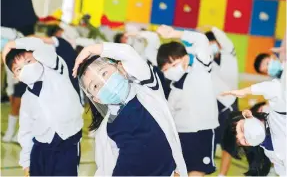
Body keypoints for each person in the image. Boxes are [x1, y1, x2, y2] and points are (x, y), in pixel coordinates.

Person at [72, 42, 187, 176]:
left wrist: (93, 48)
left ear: (121, 68)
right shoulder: (105, 130)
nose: (105, 84)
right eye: (95, 86)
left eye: (104, 73)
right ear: (96, 99)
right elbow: (105, 170)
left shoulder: (148, 90)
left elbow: (129, 54)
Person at [2, 37, 84, 176]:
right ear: (16, 77)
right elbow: (26, 130)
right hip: (39, 149)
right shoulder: (27, 98)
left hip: (67, 145)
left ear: (38, 58)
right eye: (18, 69)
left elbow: (39, 45)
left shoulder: (57, 71)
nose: (26, 69)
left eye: (29, 61)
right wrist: (26, 161)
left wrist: (12, 44)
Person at [156, 25, 218, 176]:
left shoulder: (200, 71)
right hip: (180, 135)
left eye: (174, 64)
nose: (170, 70)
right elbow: (168, 116)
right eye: (165, 69)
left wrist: (174, 33)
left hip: (201, 132)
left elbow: (202, 40)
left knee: (197, 171)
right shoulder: (173, 90)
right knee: (177, 171)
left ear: (185, 59)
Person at [222, 78, 286, 176]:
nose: (244, 139)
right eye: (241, 141)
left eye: (242, 129)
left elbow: (275, 88)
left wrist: (246, 91)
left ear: (247, 114)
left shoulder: (278, 115)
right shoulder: (270, 153)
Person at [204, 26, 239, 177]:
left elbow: (223, 38)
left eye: (213, 42)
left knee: (228, 143)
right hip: (212, 104)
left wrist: (209, 28)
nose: (211, 46)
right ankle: (203, 171)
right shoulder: (206, 60)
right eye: (208, 43)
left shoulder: (229, 54)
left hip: (229, 103)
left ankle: (222, 174)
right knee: (208, 140)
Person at [1, 26, 25, 143]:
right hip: (14, 72)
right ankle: (11, 132)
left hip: (25, 70)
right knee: (14, 102)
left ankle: (18, 134)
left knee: (19, 104)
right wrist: (10, 89)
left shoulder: (8, 33)